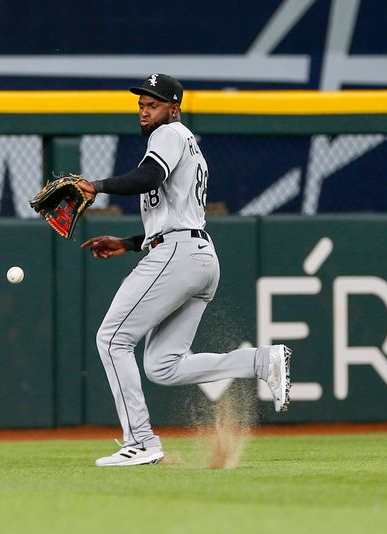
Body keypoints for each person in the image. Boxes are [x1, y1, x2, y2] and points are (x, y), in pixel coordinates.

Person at [76, 73, 291, 467]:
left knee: (112, 340)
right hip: (196, 255)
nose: (144, 111)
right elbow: (174, 215)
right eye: (141, 104)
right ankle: (262, 361)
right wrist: (127, 244)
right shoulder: (185, 144)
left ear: (173, 108)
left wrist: (97, 185)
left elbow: (148, 177)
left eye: (152, 104)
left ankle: (140, 441)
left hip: (178, 254)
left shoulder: (170, 134)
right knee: (163, 366)